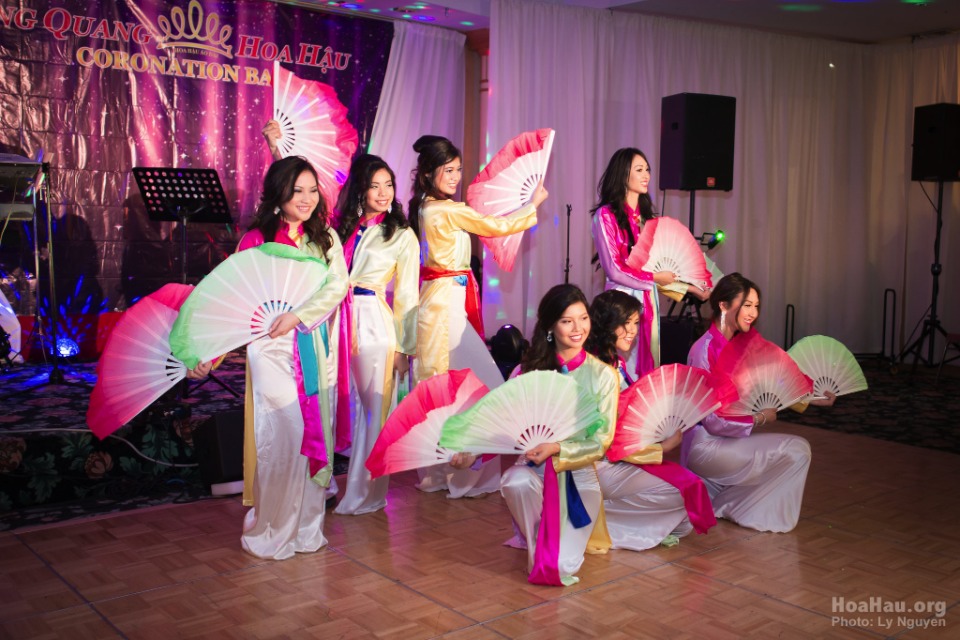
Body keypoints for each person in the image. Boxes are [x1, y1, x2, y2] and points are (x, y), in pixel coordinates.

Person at [190, 156, 348, 559]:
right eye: (298, 190)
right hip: (271, 350)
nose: (307, 199)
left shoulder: (325, 237)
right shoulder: (256, 240)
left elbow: (337, 287)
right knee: (285, 435)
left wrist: (299, 315)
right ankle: (272, 527)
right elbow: (234, 304)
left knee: (317, 438)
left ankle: (306, 529)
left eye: (313, 190)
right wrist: (213, 351)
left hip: (312, 346)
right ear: (278, 192)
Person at [408, 134, 547, 498]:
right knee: (476, 384)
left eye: (457, 169)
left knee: (443, 385)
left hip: (439, 299)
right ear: (427, 174)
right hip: (445, 304)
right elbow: (495, 226)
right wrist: (532, 207)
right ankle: (459, 468)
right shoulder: (447, 210)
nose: (455, 177)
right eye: (447, 170)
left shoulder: (424, 207)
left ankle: (442, 471)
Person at [683, 273, 835, 533]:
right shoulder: (703, 350)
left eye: (756, 306)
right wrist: (759, 418)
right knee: (796, 449)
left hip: (730, 442)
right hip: (706, 445)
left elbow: (776, 381)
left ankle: (728, 503)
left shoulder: (745, 344)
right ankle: (731, 506)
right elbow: (712, 420)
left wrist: (812, 398)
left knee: (797, 450)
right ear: (723, 305)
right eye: (747, 305)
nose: (753, 313)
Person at [499, 284, 616, 585]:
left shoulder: (603, 375)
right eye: (567, 321)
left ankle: (546, 544)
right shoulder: (527, 371)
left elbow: (601, 442)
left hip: (579, 478)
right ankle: (537, 541)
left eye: (584, 317)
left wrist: (557, 447)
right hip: (535, 469)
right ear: (551, 326)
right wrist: (469, 455)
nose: (578, 328)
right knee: (515, 480)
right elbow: (500, 421)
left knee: (562, 566)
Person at [585, 290, 714, 550]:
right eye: (625, 323)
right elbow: (607, 441)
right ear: (606, 324)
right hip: (595, 465)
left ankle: (608, 513)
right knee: (680, 493)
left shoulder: (616, 364)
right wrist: (662, 448)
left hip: (618, 459)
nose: (632, 330)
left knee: (690, 493)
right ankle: (594, 521)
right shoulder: (597, 372)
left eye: (635, 323)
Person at [329, 154, 420, 515]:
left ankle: (365, 495)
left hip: (373, 321)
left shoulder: (401, 234)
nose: (383, 193)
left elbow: (409, 296)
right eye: (374, 185)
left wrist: (403, 348)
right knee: (336, 404)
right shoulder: (343, 227)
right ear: (360, 189)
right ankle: (330, 487)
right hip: (338, 318)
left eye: (389, 185)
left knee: (373, 412)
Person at [591, 148, 708, 377]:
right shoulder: (605, 216)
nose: (646, 175)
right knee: (619, 366)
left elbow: (661, 272)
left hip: (648, 299)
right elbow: (614, 270)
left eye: (647, 170)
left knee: (647, 365)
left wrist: (691, 288)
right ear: (624, 174)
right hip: (620, 301)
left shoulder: (647, 220)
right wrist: (655, 278)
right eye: (639, 169)